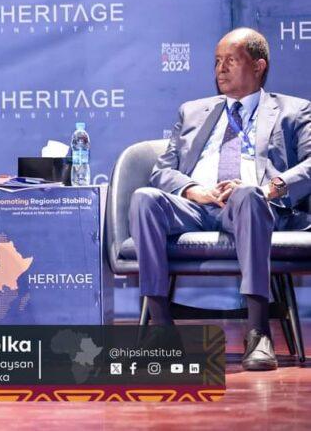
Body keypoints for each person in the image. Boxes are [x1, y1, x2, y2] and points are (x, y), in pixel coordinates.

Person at [130, 27, 311, 371]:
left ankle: (258, 332)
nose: (220, 69)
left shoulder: (294, 111)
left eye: (230, 60)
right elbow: (161, 171)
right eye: (216, 61)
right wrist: (193, 190)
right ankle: (162, 329)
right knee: (145, 199)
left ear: (258, 66)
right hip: (197, 206)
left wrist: (271, 188)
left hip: (254, 205)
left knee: (247, 194)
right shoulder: (192, 111)